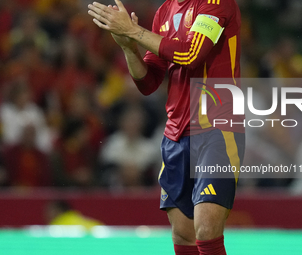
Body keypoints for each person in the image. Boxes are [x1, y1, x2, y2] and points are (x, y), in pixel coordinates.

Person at [88, 0, 245, 254]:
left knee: (206, 231)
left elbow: (190, 54)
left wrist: (133, 31)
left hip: (216, 129)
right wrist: (130, 49)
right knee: (183, 234)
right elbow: (149, 82)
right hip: (175, 135)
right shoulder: (164, 11)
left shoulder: (216, 2)